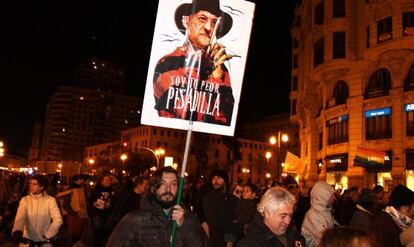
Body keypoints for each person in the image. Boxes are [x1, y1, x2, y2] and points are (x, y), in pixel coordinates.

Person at [153, 0, 235, 126]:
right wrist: (213, 79)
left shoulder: (221, 69)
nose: (209, 27)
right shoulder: (167, 63)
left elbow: (225, 119)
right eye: (202, 18)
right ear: (186, 21)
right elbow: (181, 115)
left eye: (214, 22)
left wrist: (216, 75)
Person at [106, 166, 208, 247]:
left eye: (173, 184)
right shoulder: (135, 220)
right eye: (162, 183)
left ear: (179, 189)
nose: (168, 189)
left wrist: (185, 226)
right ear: (153, 188)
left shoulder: (189, 218)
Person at [236, 186, 306, 247]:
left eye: (290, 215)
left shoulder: (297, 239)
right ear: (267, 213)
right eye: (283, 216)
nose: (288, 221)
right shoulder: (249, 244)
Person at [12, 174, 63, 246]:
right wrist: (17, 231)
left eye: (34, 184)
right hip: (27, 241)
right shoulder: (25, 200)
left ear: (42, 187)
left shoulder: (50, 200)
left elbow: (58, 220)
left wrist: (48, 234)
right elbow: (20, 217)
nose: (31, 186)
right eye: (30, 183)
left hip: (43, 242)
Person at [202, 169, 243, 247]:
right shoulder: (208, 199)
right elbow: (215, 222)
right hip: (216, 241)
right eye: (214, 178)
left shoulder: (230, 197)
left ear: (225, 181)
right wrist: (237, 227)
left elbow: (237, 215)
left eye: (219, 178)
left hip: (233, 240)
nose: (216, 181)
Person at [301, 181, 337, 247]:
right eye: (331, 195)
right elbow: (324, 240)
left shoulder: (325, 211)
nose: (334, 198)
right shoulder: (313, 215)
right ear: (323, 197)